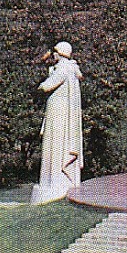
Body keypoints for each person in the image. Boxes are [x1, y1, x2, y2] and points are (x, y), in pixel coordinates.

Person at [31, 42, 83, 204]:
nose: (53, 54)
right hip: (60, 112)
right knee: (56, 145)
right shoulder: (70, 68)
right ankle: (54, 179)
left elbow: (47, 86)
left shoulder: (63, 68)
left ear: (60, 53)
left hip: (59, 114)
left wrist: (37, 86)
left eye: (55, 52)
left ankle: (55, 181)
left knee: (56, 145)